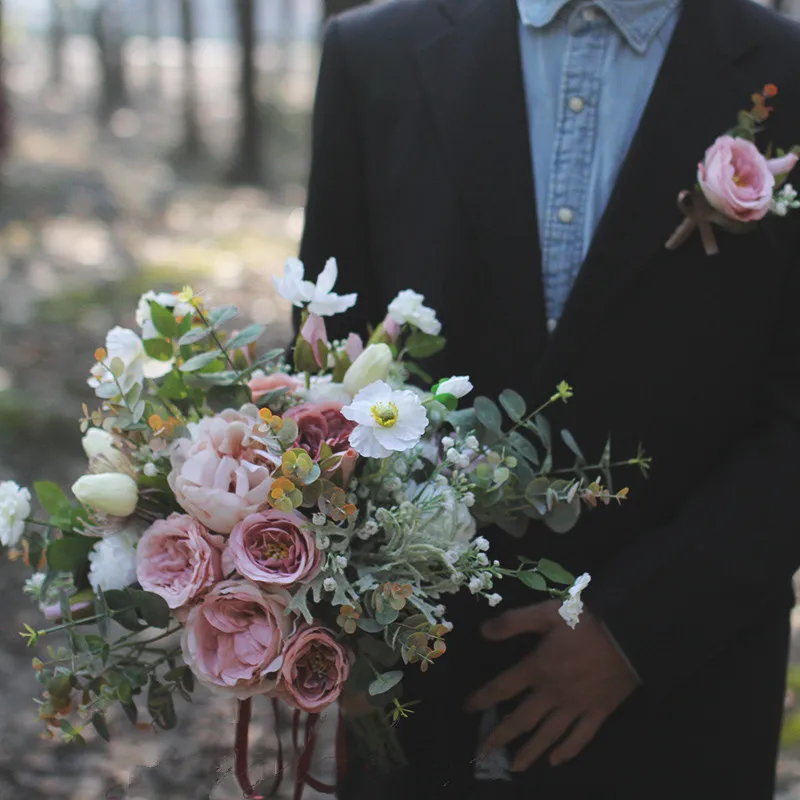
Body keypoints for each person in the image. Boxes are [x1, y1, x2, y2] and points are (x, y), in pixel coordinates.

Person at [297, 0, 800, 798]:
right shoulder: (375, 54)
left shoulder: (786, 66)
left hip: (684, 695)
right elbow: (326, 368)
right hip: (415, 690)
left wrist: (639, 633)